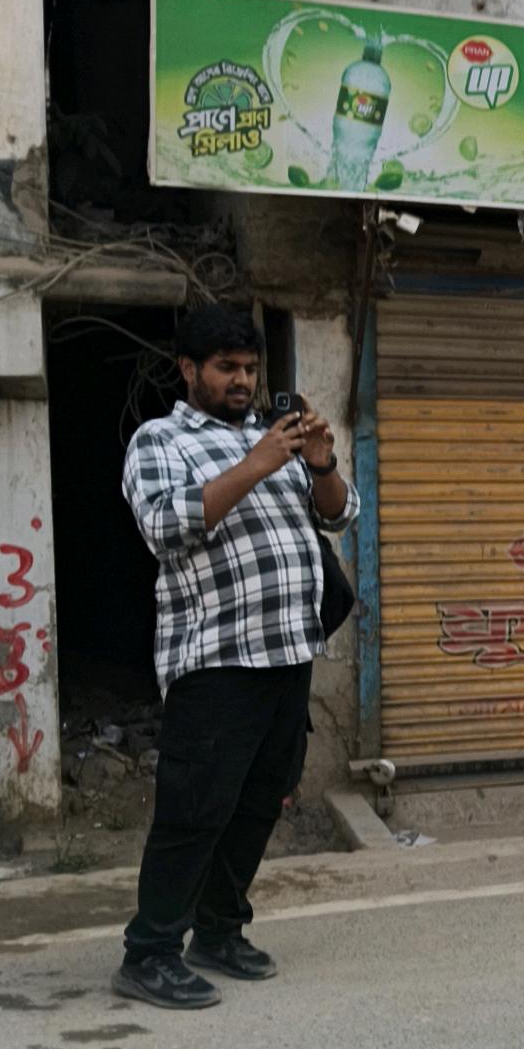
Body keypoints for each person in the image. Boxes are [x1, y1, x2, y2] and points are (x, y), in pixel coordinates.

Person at [116, 303, 358, 1011]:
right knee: (195, 809)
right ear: (189, 369)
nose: (243, 381)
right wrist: (255, 465)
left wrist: (320, 462)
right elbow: (164, 526)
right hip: (216, 661)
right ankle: (149, 952)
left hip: (287, 654)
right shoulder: (160, 440)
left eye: (250, 368)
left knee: (259, 804)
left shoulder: (273, 441)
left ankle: (219, 931)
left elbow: (341, 514)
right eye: (226, 368)